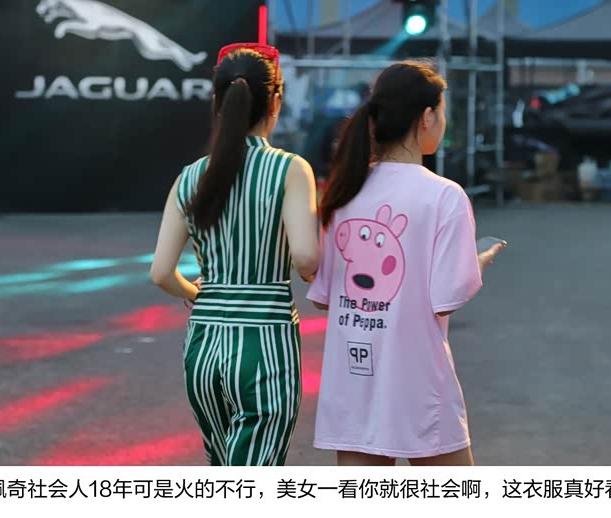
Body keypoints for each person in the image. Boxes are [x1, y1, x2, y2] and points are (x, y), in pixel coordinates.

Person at [306, 61, 505, 467]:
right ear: (426, 117)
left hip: (353, 379)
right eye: (443, 112)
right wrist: (478, 261)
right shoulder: (444, 196)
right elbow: (446, 297)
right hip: (418, 379)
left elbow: (325, 296)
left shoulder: (345, 191)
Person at [150, 43, 320, 466]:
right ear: (275, 101)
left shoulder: (190, 176)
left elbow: (161, 273)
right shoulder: (290, 169)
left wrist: (197, 291)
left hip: (203, 347)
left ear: (218, 101)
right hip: (265, 346)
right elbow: (305, 258)